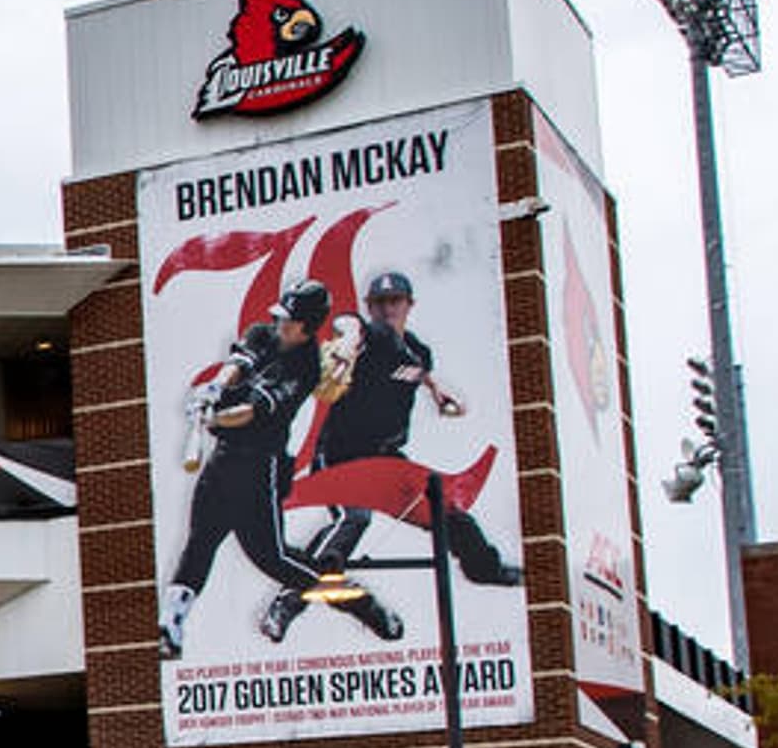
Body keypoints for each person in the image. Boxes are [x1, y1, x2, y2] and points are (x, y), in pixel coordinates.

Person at [160, 280, 396, 658]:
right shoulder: (262, 334)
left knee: (274, 560)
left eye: (290, 321)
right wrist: (212, 390)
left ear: (307, 327)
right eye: (281, 317)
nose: (281, 326)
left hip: (257, 470)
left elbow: (250, 412)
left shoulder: (304, 367)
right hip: (222, 461)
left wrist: (213, 417)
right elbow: (238, 365)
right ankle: (171, 626)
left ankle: (356, 601)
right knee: (200, 542)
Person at [276, 268, 522, 621]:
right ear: (370, 307)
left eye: (395, 301)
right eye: (379, 302)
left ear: (409, 304)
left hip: (387, 463)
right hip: (343, 458)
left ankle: (484, 569)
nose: (387, 308)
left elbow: (414, 368)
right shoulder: (371, 334)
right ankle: (290, 598)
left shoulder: (418, 351)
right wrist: (347, 339)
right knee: (353, 520)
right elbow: (349, 323)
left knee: (447, 512)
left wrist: (436, 389)